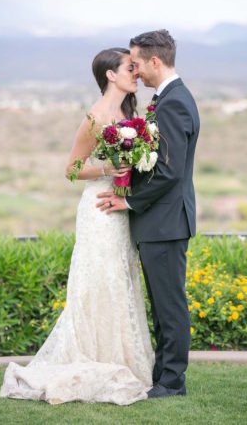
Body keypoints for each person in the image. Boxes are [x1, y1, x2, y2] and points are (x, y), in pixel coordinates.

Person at [0, 48, 153, 406]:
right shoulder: (94, 118)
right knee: (98, 280)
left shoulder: (132, 117)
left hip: (120, 210)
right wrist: (106, 170)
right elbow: (70, 169)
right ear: (111, 76)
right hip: (98, 210)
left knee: (120, 277)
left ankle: (125, 358)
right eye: (130, 69)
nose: (136, 74)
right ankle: (90, 355)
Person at [97, 30, 200, 399]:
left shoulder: (172, 103)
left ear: (155, 61)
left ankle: (173, 383)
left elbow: (169, 172)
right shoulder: (168, 98)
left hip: (165, 222)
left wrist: (130, 201)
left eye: (137, 63)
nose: (135, 71)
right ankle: (164, 377)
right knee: (162, 304)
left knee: (170, 306)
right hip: (162, 222)